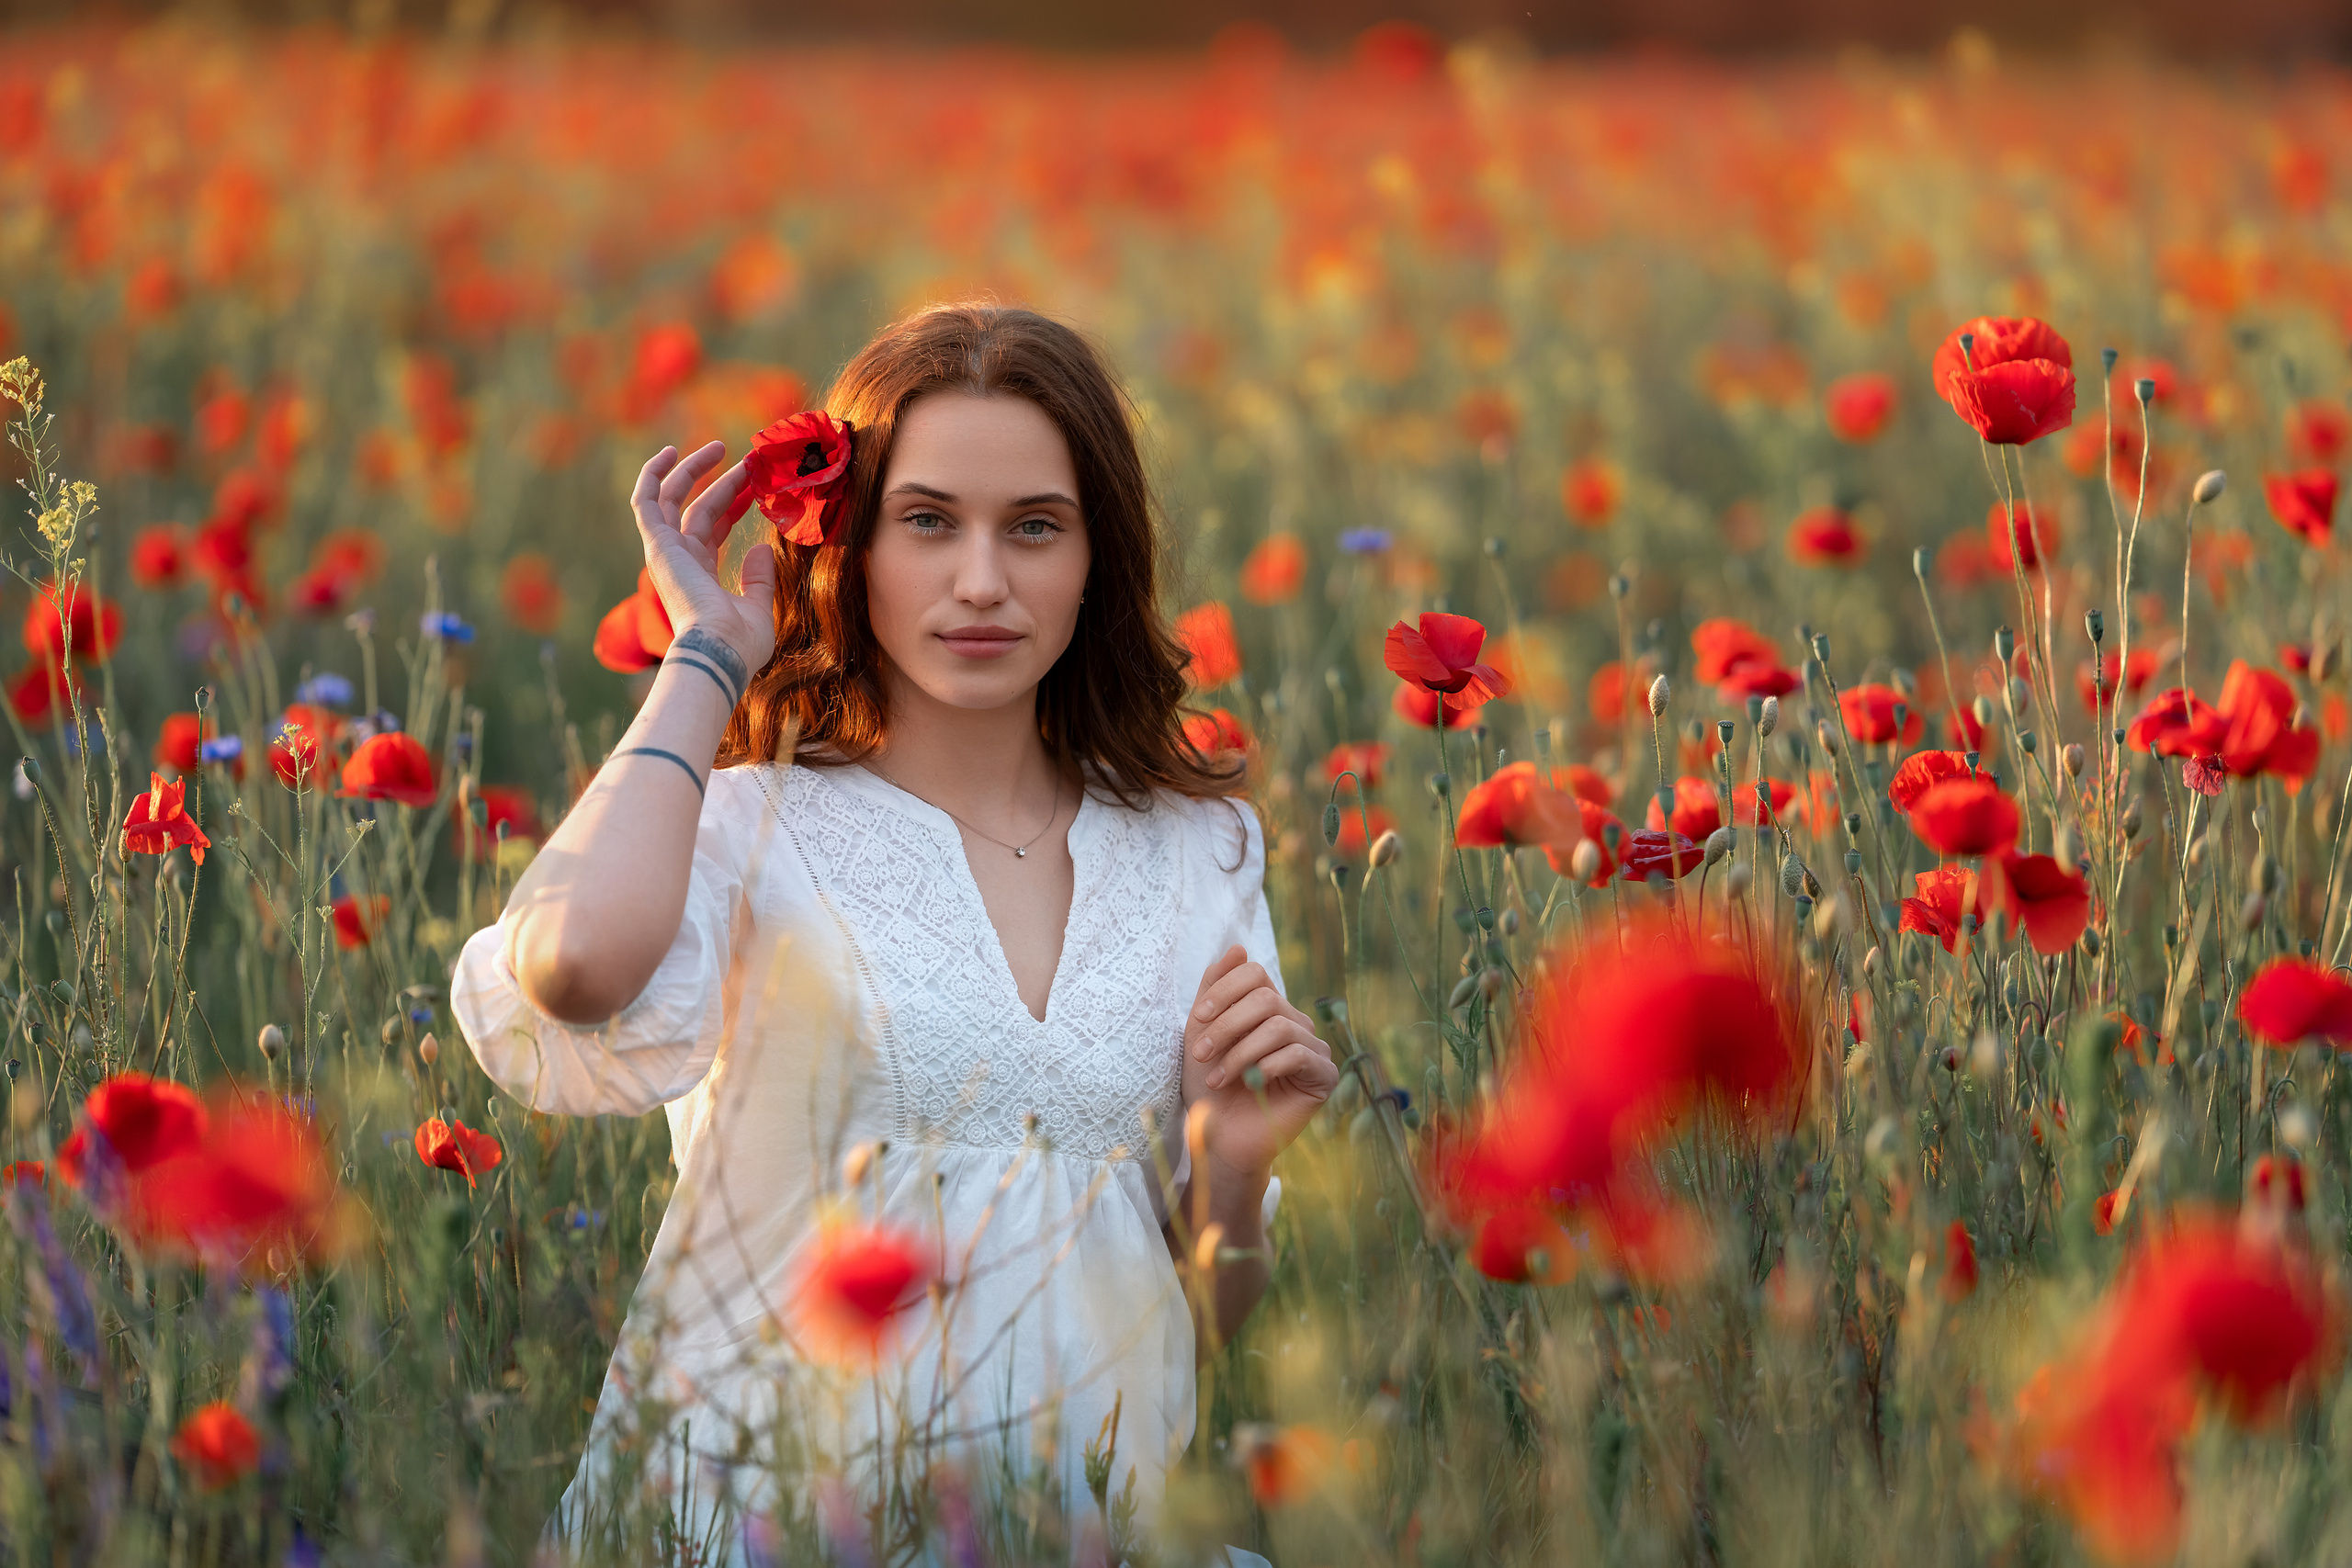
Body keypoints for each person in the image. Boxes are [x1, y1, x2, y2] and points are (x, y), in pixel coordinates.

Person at [450, 303, 1337, 1562]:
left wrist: (1234, 1167)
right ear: (852, 546)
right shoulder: (754, 826)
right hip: (769, 1525)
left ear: (1100, 556)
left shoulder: (1200, 849)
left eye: (1035, 526)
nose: (982, 581)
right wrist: (706, 656)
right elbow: (574, 968)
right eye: (928, 522)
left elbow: (1186, 1316)